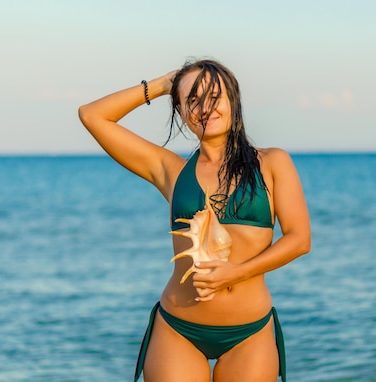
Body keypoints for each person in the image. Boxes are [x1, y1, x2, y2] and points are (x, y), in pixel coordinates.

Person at [78, 58, 310, 382]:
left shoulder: (272, 163)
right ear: (182, 111)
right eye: (193, 99)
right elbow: (92, 116)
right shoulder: (170, 171)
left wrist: (237, 272)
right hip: (178, 329)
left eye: (215, 97)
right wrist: (162, 85)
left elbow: (299, 239)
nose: (205, 108)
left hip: (249, 333)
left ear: (233, 99)